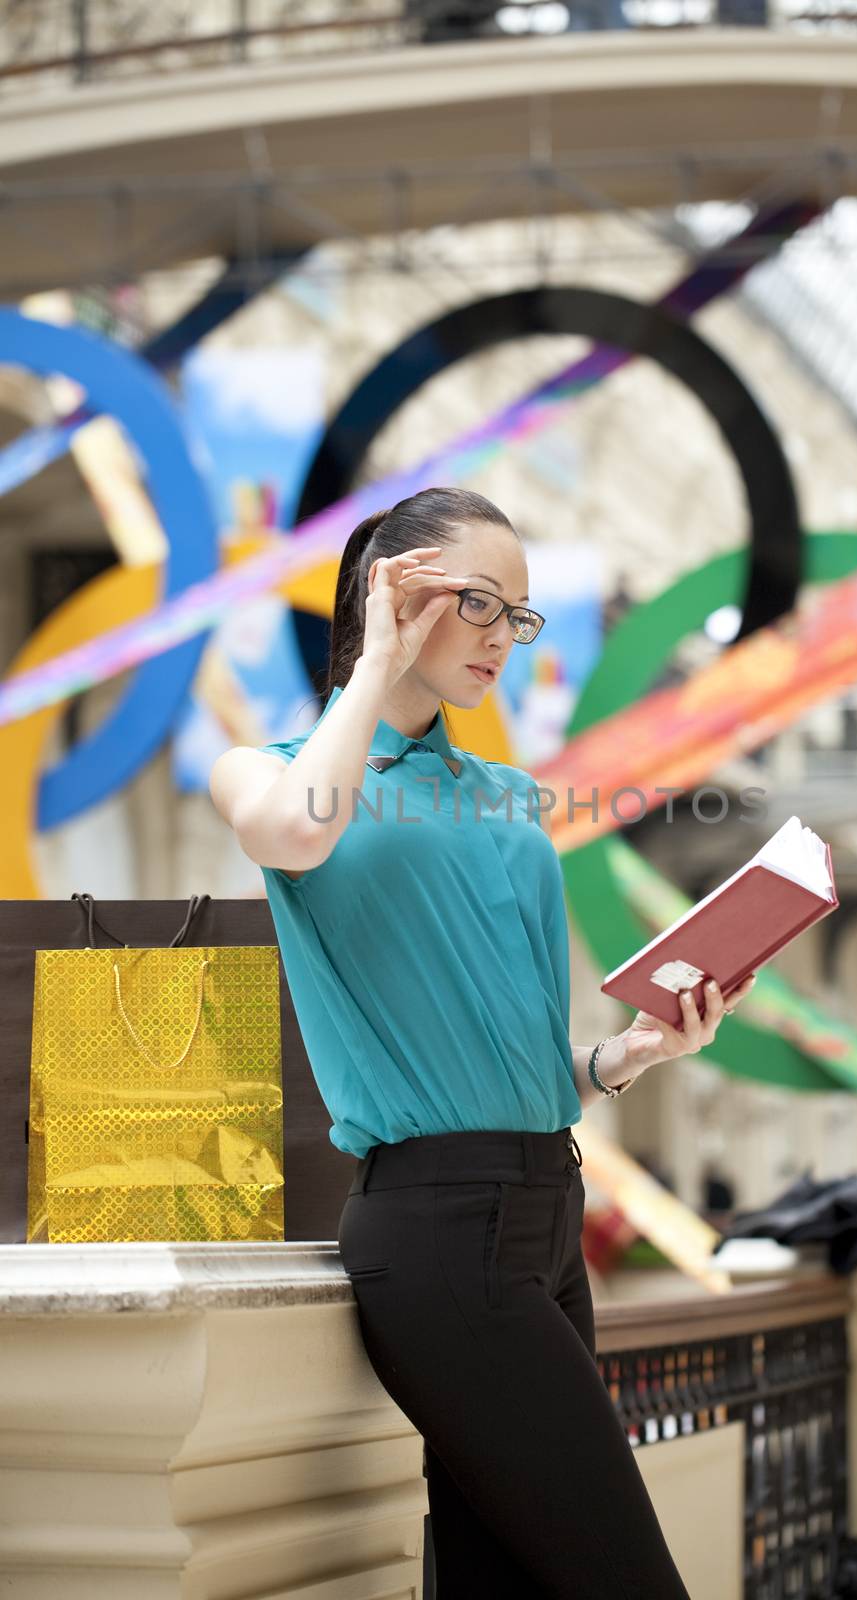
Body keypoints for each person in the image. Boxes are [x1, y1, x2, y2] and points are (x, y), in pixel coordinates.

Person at [209, 485, 757, 1599]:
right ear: (388, 594)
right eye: (477, 603)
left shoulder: (506, 799)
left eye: (519, 613)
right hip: (436, 1226)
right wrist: (372, 664)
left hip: (543, 1213)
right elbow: (299, 832)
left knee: (501, 1579)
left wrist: (626, 1057)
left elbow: (509, 1058)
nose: (503, 636)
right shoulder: (263, 769)